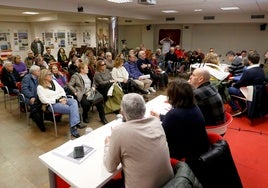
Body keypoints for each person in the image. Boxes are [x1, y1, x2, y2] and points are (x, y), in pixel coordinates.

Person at [103, 93, 174, 187]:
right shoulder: (155, 121)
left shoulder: (119, 131)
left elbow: (110, 168)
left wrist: (108, 144)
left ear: (122, 113)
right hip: (169, 182)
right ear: (144, 109)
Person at [151, 79, 210, 161]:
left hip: (186, 155)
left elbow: (160, 135)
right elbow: (178, 120)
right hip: (200, 149)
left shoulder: (174, 114)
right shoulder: (194, 107)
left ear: (173, 96)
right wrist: (160, 116)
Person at [37, 69, 85, 138]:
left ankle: (74, 124)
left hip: (62, 99)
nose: (51, 75)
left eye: (51, 74)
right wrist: (58, 100)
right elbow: (44, 100)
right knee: (71, 109)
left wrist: (63, 97)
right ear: (44, 76)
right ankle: (74, 128)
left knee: (74, 101)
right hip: (52, 104)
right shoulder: (40, 87)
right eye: (49, 74)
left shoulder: (54, 82)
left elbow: (61, 90)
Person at [228, 50, 265, 116]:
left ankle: (236, 109)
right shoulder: (261, 70)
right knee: (233, 91)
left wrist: (234, 84)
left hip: (249, 93)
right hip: (257, 93)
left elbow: (241, 83)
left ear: (249, 60)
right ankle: (243, 106)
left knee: (227, 90)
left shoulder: (248, 71)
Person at [21, 65, 45, 132]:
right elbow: (24, 89)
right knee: (35, 105)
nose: (40, 72)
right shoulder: (26, 78)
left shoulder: (38, 77)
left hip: (38, 96)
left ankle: (34, 115)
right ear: (33, 72)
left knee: (43, 103)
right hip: (28, 96)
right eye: (38, 70)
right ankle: (41, 124)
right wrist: (31, 96)